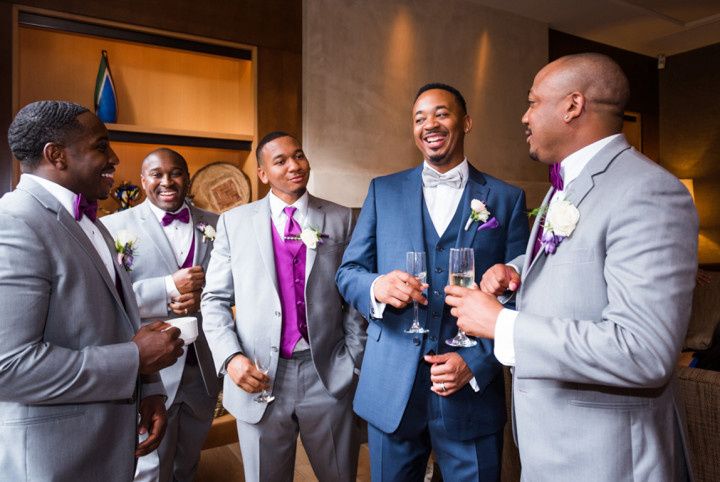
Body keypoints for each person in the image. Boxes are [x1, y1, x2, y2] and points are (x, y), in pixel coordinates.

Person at [445, 53, 698, 481]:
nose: (524, 117)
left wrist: (504, 325)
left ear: (572, 105)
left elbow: (643, 349)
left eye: (532, 102)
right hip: (552, 449)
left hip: (607, 459)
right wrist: (519, 272)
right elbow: (581, 264)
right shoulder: (563, 187)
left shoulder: (648, 192)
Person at [336, 83, 529, 481]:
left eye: (441, 113)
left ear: (466, 122)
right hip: (392, 387)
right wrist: (377, 288)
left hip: (471, 392)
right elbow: (348, 272)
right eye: (419, 118)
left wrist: (476, 362)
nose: (430, 125)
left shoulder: (507, 199)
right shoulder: (382, 191)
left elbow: (519, 294)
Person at [0, 100, 183, 481]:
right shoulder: (16, 222)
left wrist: (149, 388)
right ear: (57, 155)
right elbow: (10, 367)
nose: (114, 157)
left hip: (111, 444)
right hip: (58, 458)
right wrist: (134, 359)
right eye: (101, 146)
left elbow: (114, 319)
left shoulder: (94, 224)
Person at [201, 131, 366, 482]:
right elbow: (213, 300)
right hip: (258, 377)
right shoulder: (234, 222)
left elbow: (354, 297)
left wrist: (353, 358)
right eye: (281, 161)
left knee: (341, 475)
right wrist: (231, 359)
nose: (295, 166)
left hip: (327, 373)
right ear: (263, 174)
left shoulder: (341, 219)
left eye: (299, 155)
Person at [102, 148, 220, 482]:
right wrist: (167, 288)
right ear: (143, 181)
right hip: (151, 372)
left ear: (187, 177)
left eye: (176, 173)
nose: (167, 181)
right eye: (156, 174)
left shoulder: (217, 224)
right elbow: (109, 297)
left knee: (189, 461)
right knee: (150, 467)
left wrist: (202, 294)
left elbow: (233, 287)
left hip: (203, 367)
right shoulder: (112, 227)